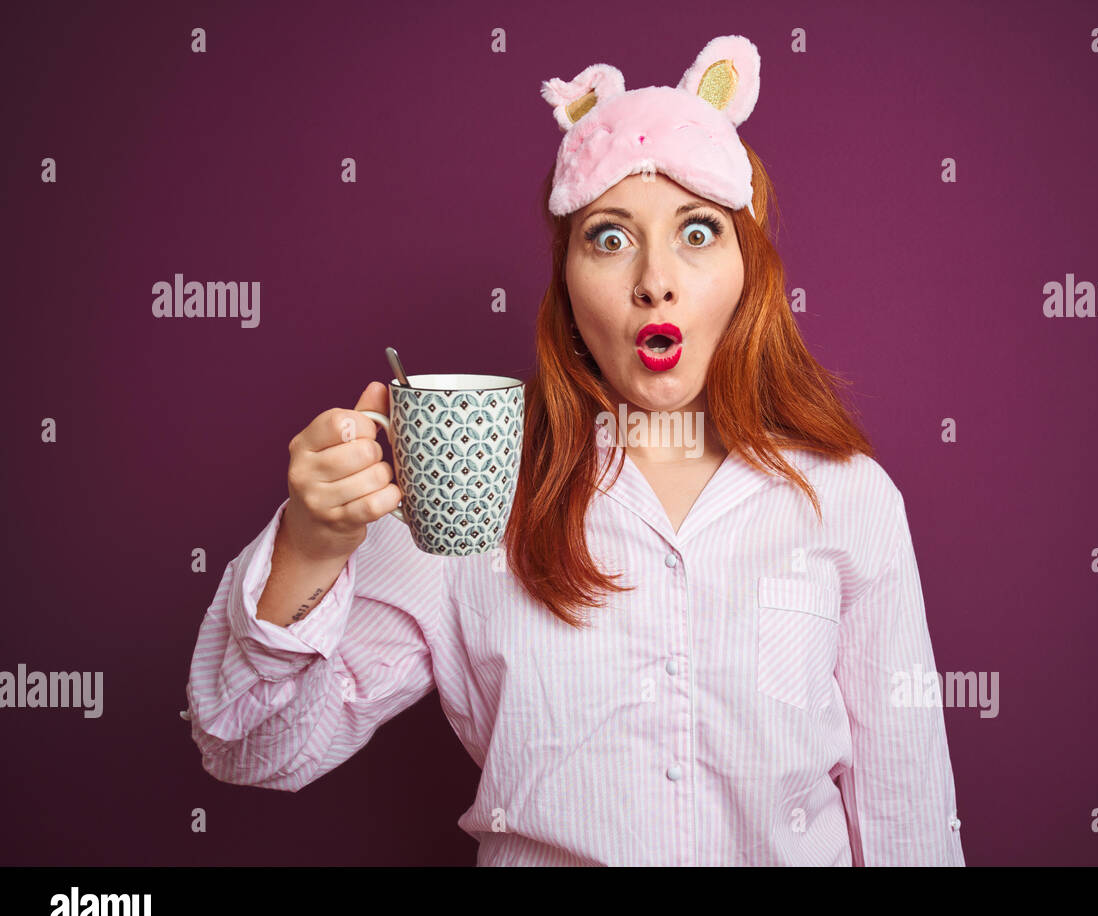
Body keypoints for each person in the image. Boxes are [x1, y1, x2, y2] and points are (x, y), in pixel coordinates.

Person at [183, 34, 966, 866]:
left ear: (750, 271)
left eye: (698, 232)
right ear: (568, 285)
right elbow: (246, 748)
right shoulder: (474, 492)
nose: (654, 279)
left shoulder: (848, 497)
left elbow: (905, 814)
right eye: (610, 237)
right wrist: (310, 546)